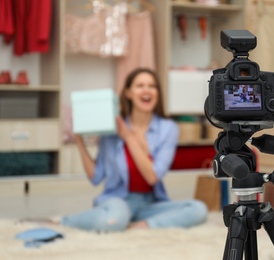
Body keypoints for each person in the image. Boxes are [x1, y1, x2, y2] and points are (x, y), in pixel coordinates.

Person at [61, 68, 208, 232]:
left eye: (152, 86)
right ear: (128, 93)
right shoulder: (112, 127)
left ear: (157, 93)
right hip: (118, 200)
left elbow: (152, 177)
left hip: (152, 203)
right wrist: (79, 140)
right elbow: (96, 176)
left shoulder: (169, 129)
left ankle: (140, 226)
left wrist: (129, 137)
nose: (147, 90)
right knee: (114, 217)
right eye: (140, 86)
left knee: (198, 209)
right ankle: (65, 221)